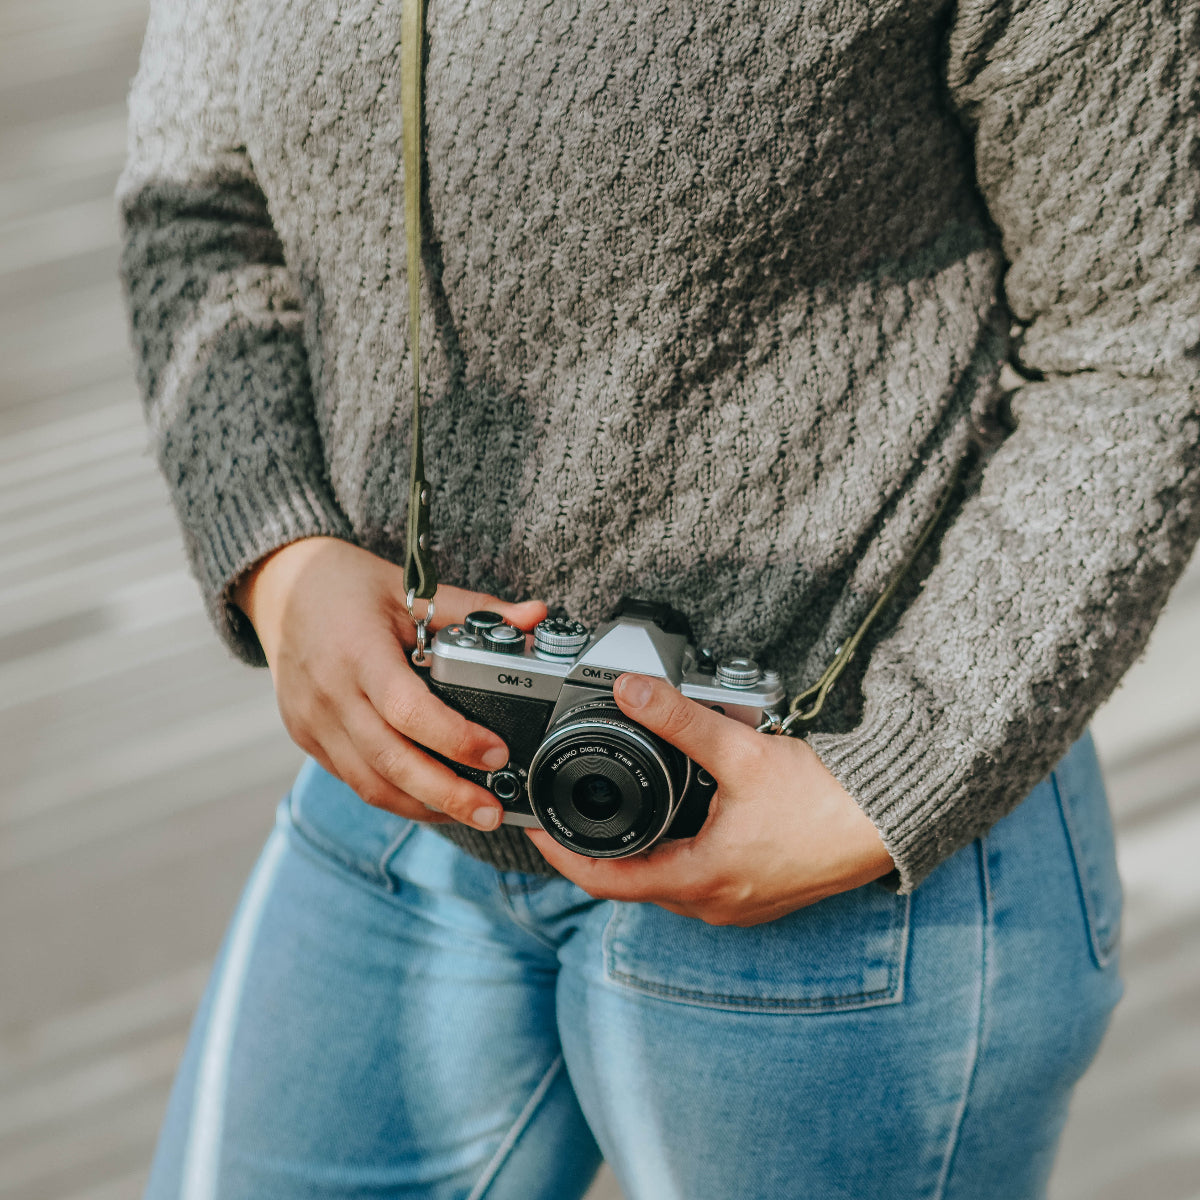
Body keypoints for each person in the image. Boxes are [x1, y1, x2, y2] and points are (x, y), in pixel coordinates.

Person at [118, 0, 1199, 1196]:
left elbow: (1152, 332)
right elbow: (193, 202)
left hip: (843, 860)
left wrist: (884, 781)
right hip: (403, 783)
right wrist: (285, 562)